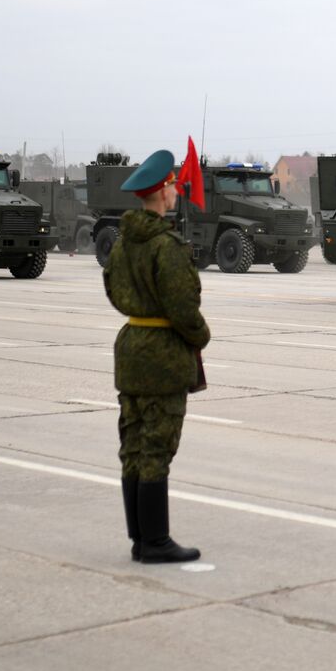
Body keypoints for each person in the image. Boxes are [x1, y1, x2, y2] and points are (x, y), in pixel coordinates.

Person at [102, 149, 211, 563]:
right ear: (163, 192)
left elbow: (113, 289)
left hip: (131, 347)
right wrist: (201, 335)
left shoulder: (123, 243)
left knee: (132, 445)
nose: (177, 192)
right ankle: (156, 541)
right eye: (173, 187)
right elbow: (183, 307)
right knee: (157, 447)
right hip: (162, 355)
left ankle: (139, 538)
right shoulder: (166, 246)